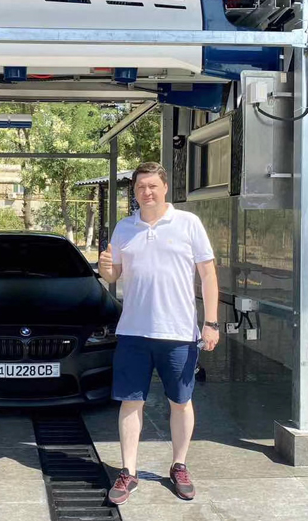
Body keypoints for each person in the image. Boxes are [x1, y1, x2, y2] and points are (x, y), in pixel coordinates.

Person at [98, 161, 219, 504]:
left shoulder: (188, 223)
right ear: (134, 192)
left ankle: (179, 466)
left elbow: (208, 274)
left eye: (152, 185)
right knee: (131, 402)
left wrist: (211, 322)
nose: (146, 192)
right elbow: (114, 274)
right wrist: (106, 270)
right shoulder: (125, 227)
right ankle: (128, 472)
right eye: (140, 187)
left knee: (180, 402)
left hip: (178, 333)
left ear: (165, 187)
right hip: (133, 332)